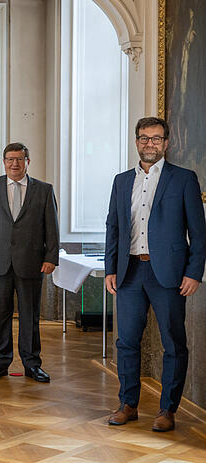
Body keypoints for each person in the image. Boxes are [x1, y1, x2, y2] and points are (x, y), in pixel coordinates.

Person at [104, 117, 205, 432]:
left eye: (156, 138)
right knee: (126, 342)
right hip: (130, 272)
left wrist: (194, 273)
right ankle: (128, 404)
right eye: (144, 138)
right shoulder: (121, 181)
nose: (150, 143)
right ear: (136, 142)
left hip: (170, 276)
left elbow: (199, 234)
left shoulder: (184, 179)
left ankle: (167, 410)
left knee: (173, 343)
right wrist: (110, 269)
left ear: (166, 143)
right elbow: (114, 228)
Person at [0, 142, 59, 383]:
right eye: (10, 159)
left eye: (20, 159)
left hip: (32, 261)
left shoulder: (44, 190)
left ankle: (32, 364)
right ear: (4, 161)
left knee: (30, 315)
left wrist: (51, 257)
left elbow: (52, 227)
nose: (15, 164)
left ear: (28, 162)